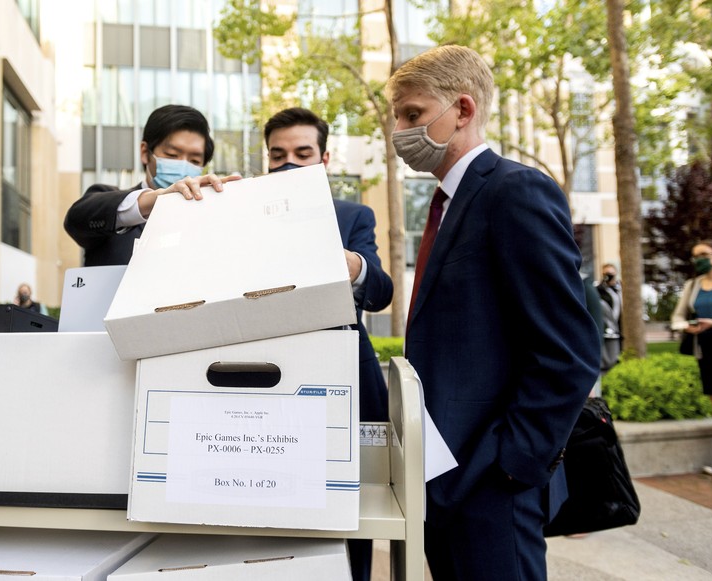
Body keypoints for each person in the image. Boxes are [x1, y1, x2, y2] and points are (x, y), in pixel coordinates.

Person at [387, 45, 600, 580]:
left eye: (412, 114)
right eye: (397, 117)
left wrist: (509, 467)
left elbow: (570, 351)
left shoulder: (515, 191)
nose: (399, 131)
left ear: (462, 109)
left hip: (492, 488)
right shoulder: (445, 203)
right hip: (444, 482)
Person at [264, 107, 394, 581]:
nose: (288, 164)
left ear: (324, 159)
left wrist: (351, 264)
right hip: (265, 384)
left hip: (343, 383)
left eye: (302, 153)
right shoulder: (242, 213)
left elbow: (380, 291)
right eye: (277, 155)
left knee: (347, 512)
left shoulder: (353, 215)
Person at [64, 104, 238, 266]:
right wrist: (159, 198)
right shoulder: (110, 201)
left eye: (194, 160)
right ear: (145, 153)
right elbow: (76, 219)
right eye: (172, 155)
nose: (183, 166)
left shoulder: (210, 221)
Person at [671, 239, 712, 477]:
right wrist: (687, 326)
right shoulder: (693, 286)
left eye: (703, 254)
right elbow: (677, 317)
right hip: (708, 350)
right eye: (695, 255)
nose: (698, 259)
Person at [596, 263, 623, 373]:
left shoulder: (620, 289)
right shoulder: (599, 290)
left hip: (620, 327)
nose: (609, 276)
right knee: (608, 360)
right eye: (606, 274)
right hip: (608, 330)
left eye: (611, 273)